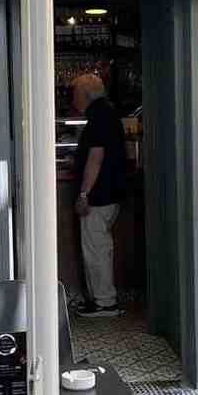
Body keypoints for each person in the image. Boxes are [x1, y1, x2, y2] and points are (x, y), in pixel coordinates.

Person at [70, 73, 127, 318]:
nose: (73, 99)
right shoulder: (107, 113)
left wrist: (84, 193)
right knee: (99, 247)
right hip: (110, 192)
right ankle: (102, 300)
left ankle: (105, 301)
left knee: (96, 249)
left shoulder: (98, 116)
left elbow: (95, 157)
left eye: (75, 94)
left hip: (100, 195)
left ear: (85, 94)